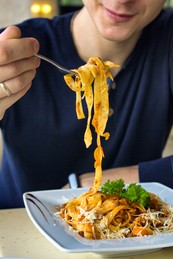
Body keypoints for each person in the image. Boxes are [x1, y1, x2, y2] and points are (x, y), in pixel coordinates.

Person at [0, 0, 172, 209]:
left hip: (139, 234)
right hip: (16, 226)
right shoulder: (17, 51)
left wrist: (94, 184)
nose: (122, 0)